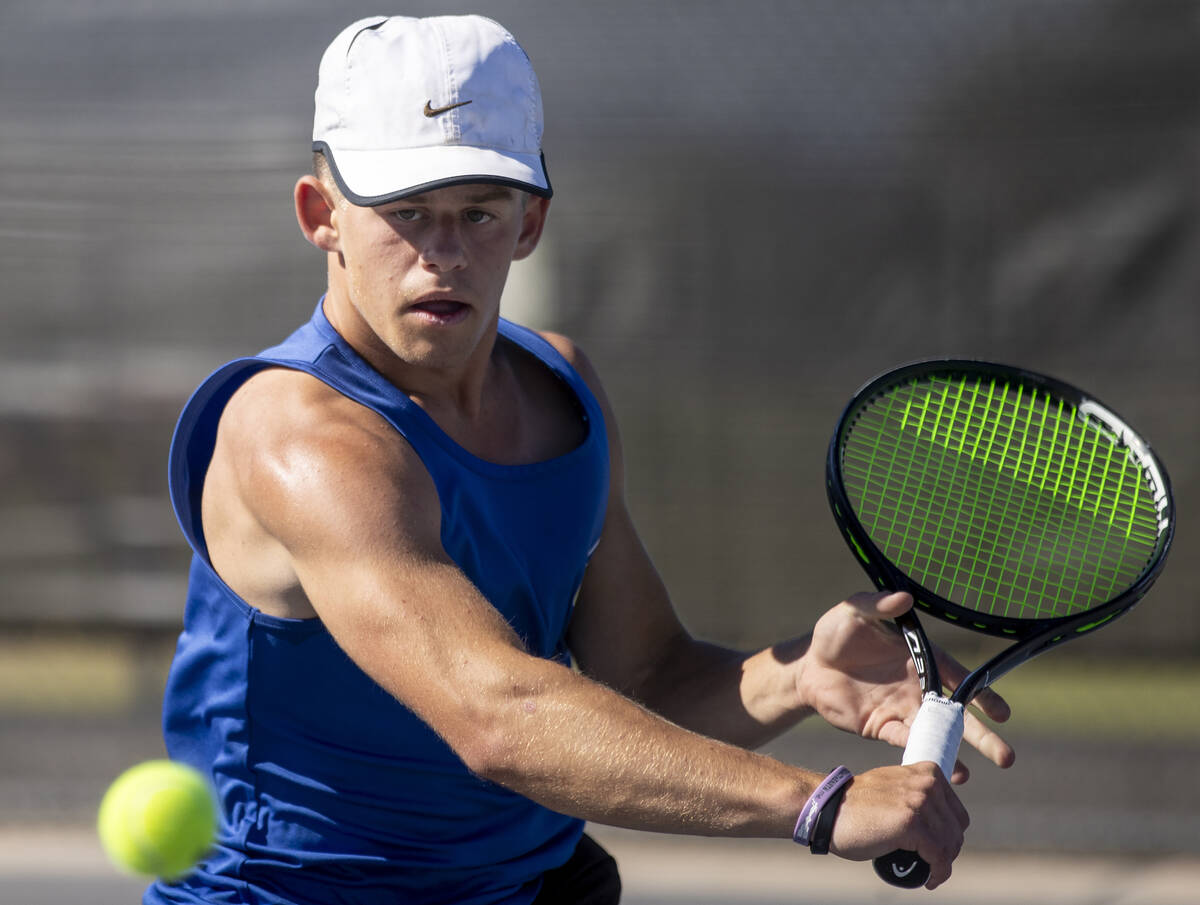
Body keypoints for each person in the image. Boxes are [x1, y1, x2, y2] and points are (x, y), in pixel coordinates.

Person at [150, 14, 1014, 905]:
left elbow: (642, 682)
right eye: (406, 213)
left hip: (530, 885)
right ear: (321, 215)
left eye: (479, 212)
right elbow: (500, 715)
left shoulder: (563, 389)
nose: (442, 252)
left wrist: (794, 673)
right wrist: (819, 803)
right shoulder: (301, 438)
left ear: (530, 223)